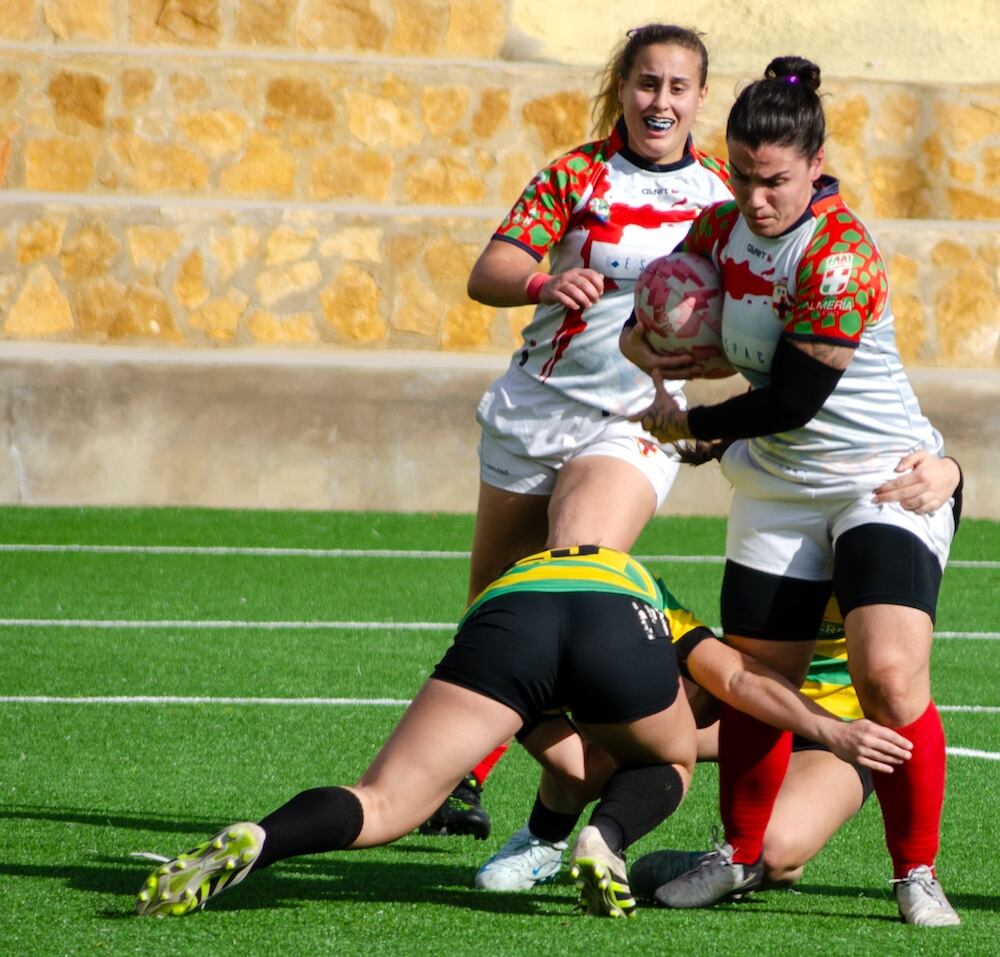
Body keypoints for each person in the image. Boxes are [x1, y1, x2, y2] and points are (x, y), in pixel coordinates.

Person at [620, 56, 961, 927]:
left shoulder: (841, 252)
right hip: (777, 486)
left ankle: (915, 872)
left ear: (815, 166)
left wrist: (696, 424)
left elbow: (796, 399)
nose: (756, 197)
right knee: (760, 677)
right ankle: (734, 855)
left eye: (774, 180)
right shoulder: (715, 227)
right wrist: (654, 344)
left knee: (888, 674)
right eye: (741, 175)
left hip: (882, 479)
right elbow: (643, 326)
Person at [421, 21, 735, 840]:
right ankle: (488, 773)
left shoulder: (724, 196)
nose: (659, 101)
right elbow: (485, 272)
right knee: (497, 604)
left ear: (700, 97)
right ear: (623, 88)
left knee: (578, 578)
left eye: (676, 87)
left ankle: (633, 749)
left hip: (633, 421)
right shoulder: (577, 173)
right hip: (537, 407)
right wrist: (541, 279)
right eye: (645, 83)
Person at [473, 444, 960, 893]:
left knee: (778, 854)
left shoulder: (888, 510)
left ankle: (706, 861)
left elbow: (936, 493)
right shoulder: (774, 506)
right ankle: (545, 839)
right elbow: (735, 676)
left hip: (844, 728)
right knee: (628, 733)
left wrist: (953, 473)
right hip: (758, 708)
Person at [137, 546, 706, 919]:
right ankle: (603, 841)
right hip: (616, 614)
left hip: (507, 616)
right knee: (672, 760)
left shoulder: (532, 569)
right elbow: (731, 676)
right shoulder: (659, 603)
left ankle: (263, 839)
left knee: (382, 802)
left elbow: (579, 769)